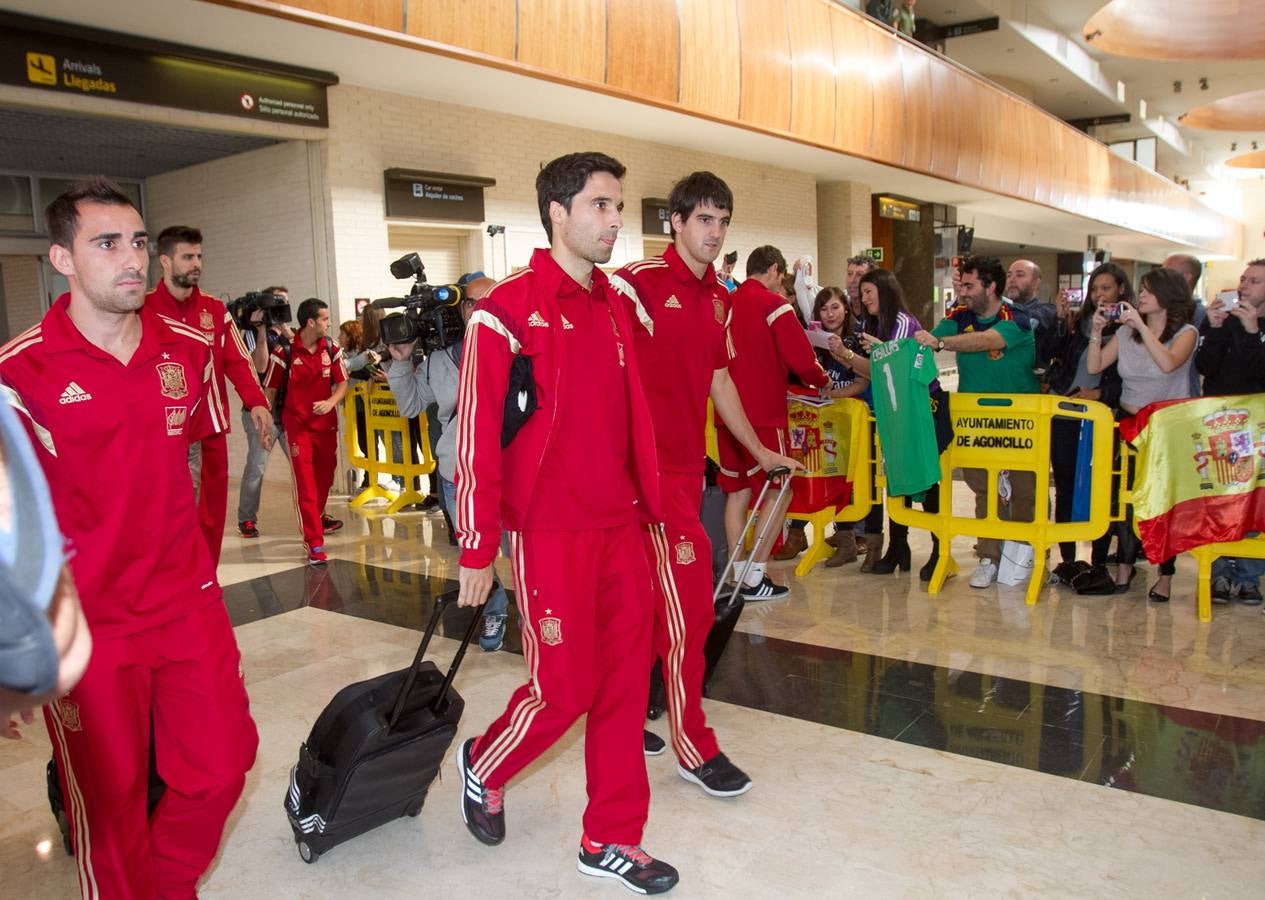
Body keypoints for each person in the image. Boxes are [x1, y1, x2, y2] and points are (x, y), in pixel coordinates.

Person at [0, 177, 257, 897]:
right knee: (108, 811)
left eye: (138, 242)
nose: (133, 259)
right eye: (106, 243)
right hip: (86, 627)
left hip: (186, 604)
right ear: (61, 258)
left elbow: (205, 463)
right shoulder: (19, 372)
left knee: (222, 765)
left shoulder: (188, 348)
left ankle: (165, 885)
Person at [451, 151, 678, 894]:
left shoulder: (615, 302)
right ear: (558, 211)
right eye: (601, 206)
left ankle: (610, 838)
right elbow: (477, 440)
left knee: (620, 687)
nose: (615, 221)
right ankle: (484, 761)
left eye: (619, 207)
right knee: (565, 688)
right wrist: (478, 549)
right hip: (547, 534)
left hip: (621, 527)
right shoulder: (504, 312)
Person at [611, 171, 798, 793]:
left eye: (723, 221)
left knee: (645, 610)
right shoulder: (636, 284)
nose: (714, 233)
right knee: (690, 610)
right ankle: (694, 744)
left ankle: (624, 711)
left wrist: (760, 450)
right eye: (703, 220)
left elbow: (720, 380)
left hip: (688, 473)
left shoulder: (720, 296)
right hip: (640, 477)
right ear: (676, 221)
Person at [386, 274, 513, 651]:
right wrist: (400, 364)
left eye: (489, 299)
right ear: (459, 308)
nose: (480, 309)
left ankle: (543, 615)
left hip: (510, 473)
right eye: (472, 302)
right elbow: (410, 405)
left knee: (524, 554)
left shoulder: (517, 346)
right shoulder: (440, 358)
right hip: (457, 476)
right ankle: (495, 608)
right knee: (476, 555)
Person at [145, 226, 273, 566]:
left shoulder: (214, 309)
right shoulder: (141, 310)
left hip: (211, 429)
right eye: (187, 257)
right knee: (166, 517)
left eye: (199, 256)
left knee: (211, 516)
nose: (196, 263)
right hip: (161, 435)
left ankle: (204, 583)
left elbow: (237, 359)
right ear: (165, 262)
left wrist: (256, 401)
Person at [915, 255, 1039, 588]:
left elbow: (988, 341)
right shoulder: (960, 314)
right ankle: (989, 556)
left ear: (991, 286)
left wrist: (940, 342)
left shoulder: (1017, 317)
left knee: (1025, 491)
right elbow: (929, 340)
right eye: (962, 284)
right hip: (977, 423)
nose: (963, 291)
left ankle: (1028, 555)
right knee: (984, 489)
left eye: (970, 285)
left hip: (1020, 422)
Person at [719, 244, 828, 598]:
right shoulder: (775, 305)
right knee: (780, 489)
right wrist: (823, 380)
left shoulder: (726, 304)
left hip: (726, 415)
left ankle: (737, 574)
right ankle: (755, 575)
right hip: (763, 414)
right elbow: (802, 359)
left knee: (738, 493)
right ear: (775, 269)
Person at [1087, 266, 1198, 602]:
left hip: (1167, 427)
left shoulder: (1187, 333)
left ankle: (1165, 573)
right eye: (1142, 290)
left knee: (1161, 502)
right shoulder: (1125, 334)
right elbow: (1094, 367)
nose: (1142, 296)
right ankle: (1124, 565)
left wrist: (1140, 326)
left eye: (1148, 290)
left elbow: (1168, 364)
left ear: (1168, 296)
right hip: (1128, 421)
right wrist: (1096, 331)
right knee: (1124, 498)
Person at [850, 268, 946, 579]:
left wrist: (878, 348)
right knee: (897, 478)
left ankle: (938, 550)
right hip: (896, 410)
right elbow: (877, 371)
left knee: (927, 478)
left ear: (885, 291)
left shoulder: (904, 322)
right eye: (862, 294)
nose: (864, 299)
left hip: (922, 408)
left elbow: (900, 363)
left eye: (869, 292)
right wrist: (846, 355)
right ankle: (898, 546)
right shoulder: (872, 324)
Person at [776, 286, 870, 567]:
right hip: (816, 426)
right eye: (824, 309)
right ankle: (796, 533)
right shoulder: (811, 342)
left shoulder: (854, 342)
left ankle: (847, 540)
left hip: (849, 428)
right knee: (805, 476)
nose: (830, 314)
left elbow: (863, 381)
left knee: (846, 483)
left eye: (835, 307)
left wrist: (832, 395)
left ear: (846, 309)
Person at [1047, 263, 1127, 591]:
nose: (1099, 295)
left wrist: (1101, 394)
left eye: (1106, 288)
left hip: (1102, 417)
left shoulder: (1128, 327)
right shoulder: (1079, 323)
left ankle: (1097, 561)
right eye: (1095, 289)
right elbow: (1053, 356)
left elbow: (1129, 379)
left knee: (1101, 490)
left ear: (1121, 289)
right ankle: (1067, 561)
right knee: (1064, 486)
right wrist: (1058, 319)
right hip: (1066, 412)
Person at [1195, 259, 1265, 605]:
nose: (1245, 285)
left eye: (1254, 281)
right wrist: (1212, 328)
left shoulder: (1256, 326)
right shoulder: (1224, 320)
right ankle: (1219, 572)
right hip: (1220, 421)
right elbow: (1204, 368)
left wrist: (1253, 333)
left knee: (1254, 500)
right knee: (1221, 498)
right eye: (1243, 278)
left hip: (1258, 427)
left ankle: (1250, 577)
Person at [264, 298, 349, 565]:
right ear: (311, 322)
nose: (329, 323)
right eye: (325, 318)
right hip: (298, 427)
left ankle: (316, 516)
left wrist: (330, 402)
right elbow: (270, 390)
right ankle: (314, 542)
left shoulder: (331, 347)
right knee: (306, 486)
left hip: (326, 426)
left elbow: (343, 384)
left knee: (324, 480)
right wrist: (265, 424)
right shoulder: (284, 351)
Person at [236, 285, 298, 539]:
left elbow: (303, 356)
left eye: (285, 302)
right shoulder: (251, 332)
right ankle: (246, 519)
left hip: (288, 409)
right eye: (277, 302)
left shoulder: (288, 334)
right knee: (256, 467)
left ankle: (315, 514)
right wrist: (262, 330)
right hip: (261, 410)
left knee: (302, 465)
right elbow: (259, 367)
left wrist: (285, 329)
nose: (281, 307)